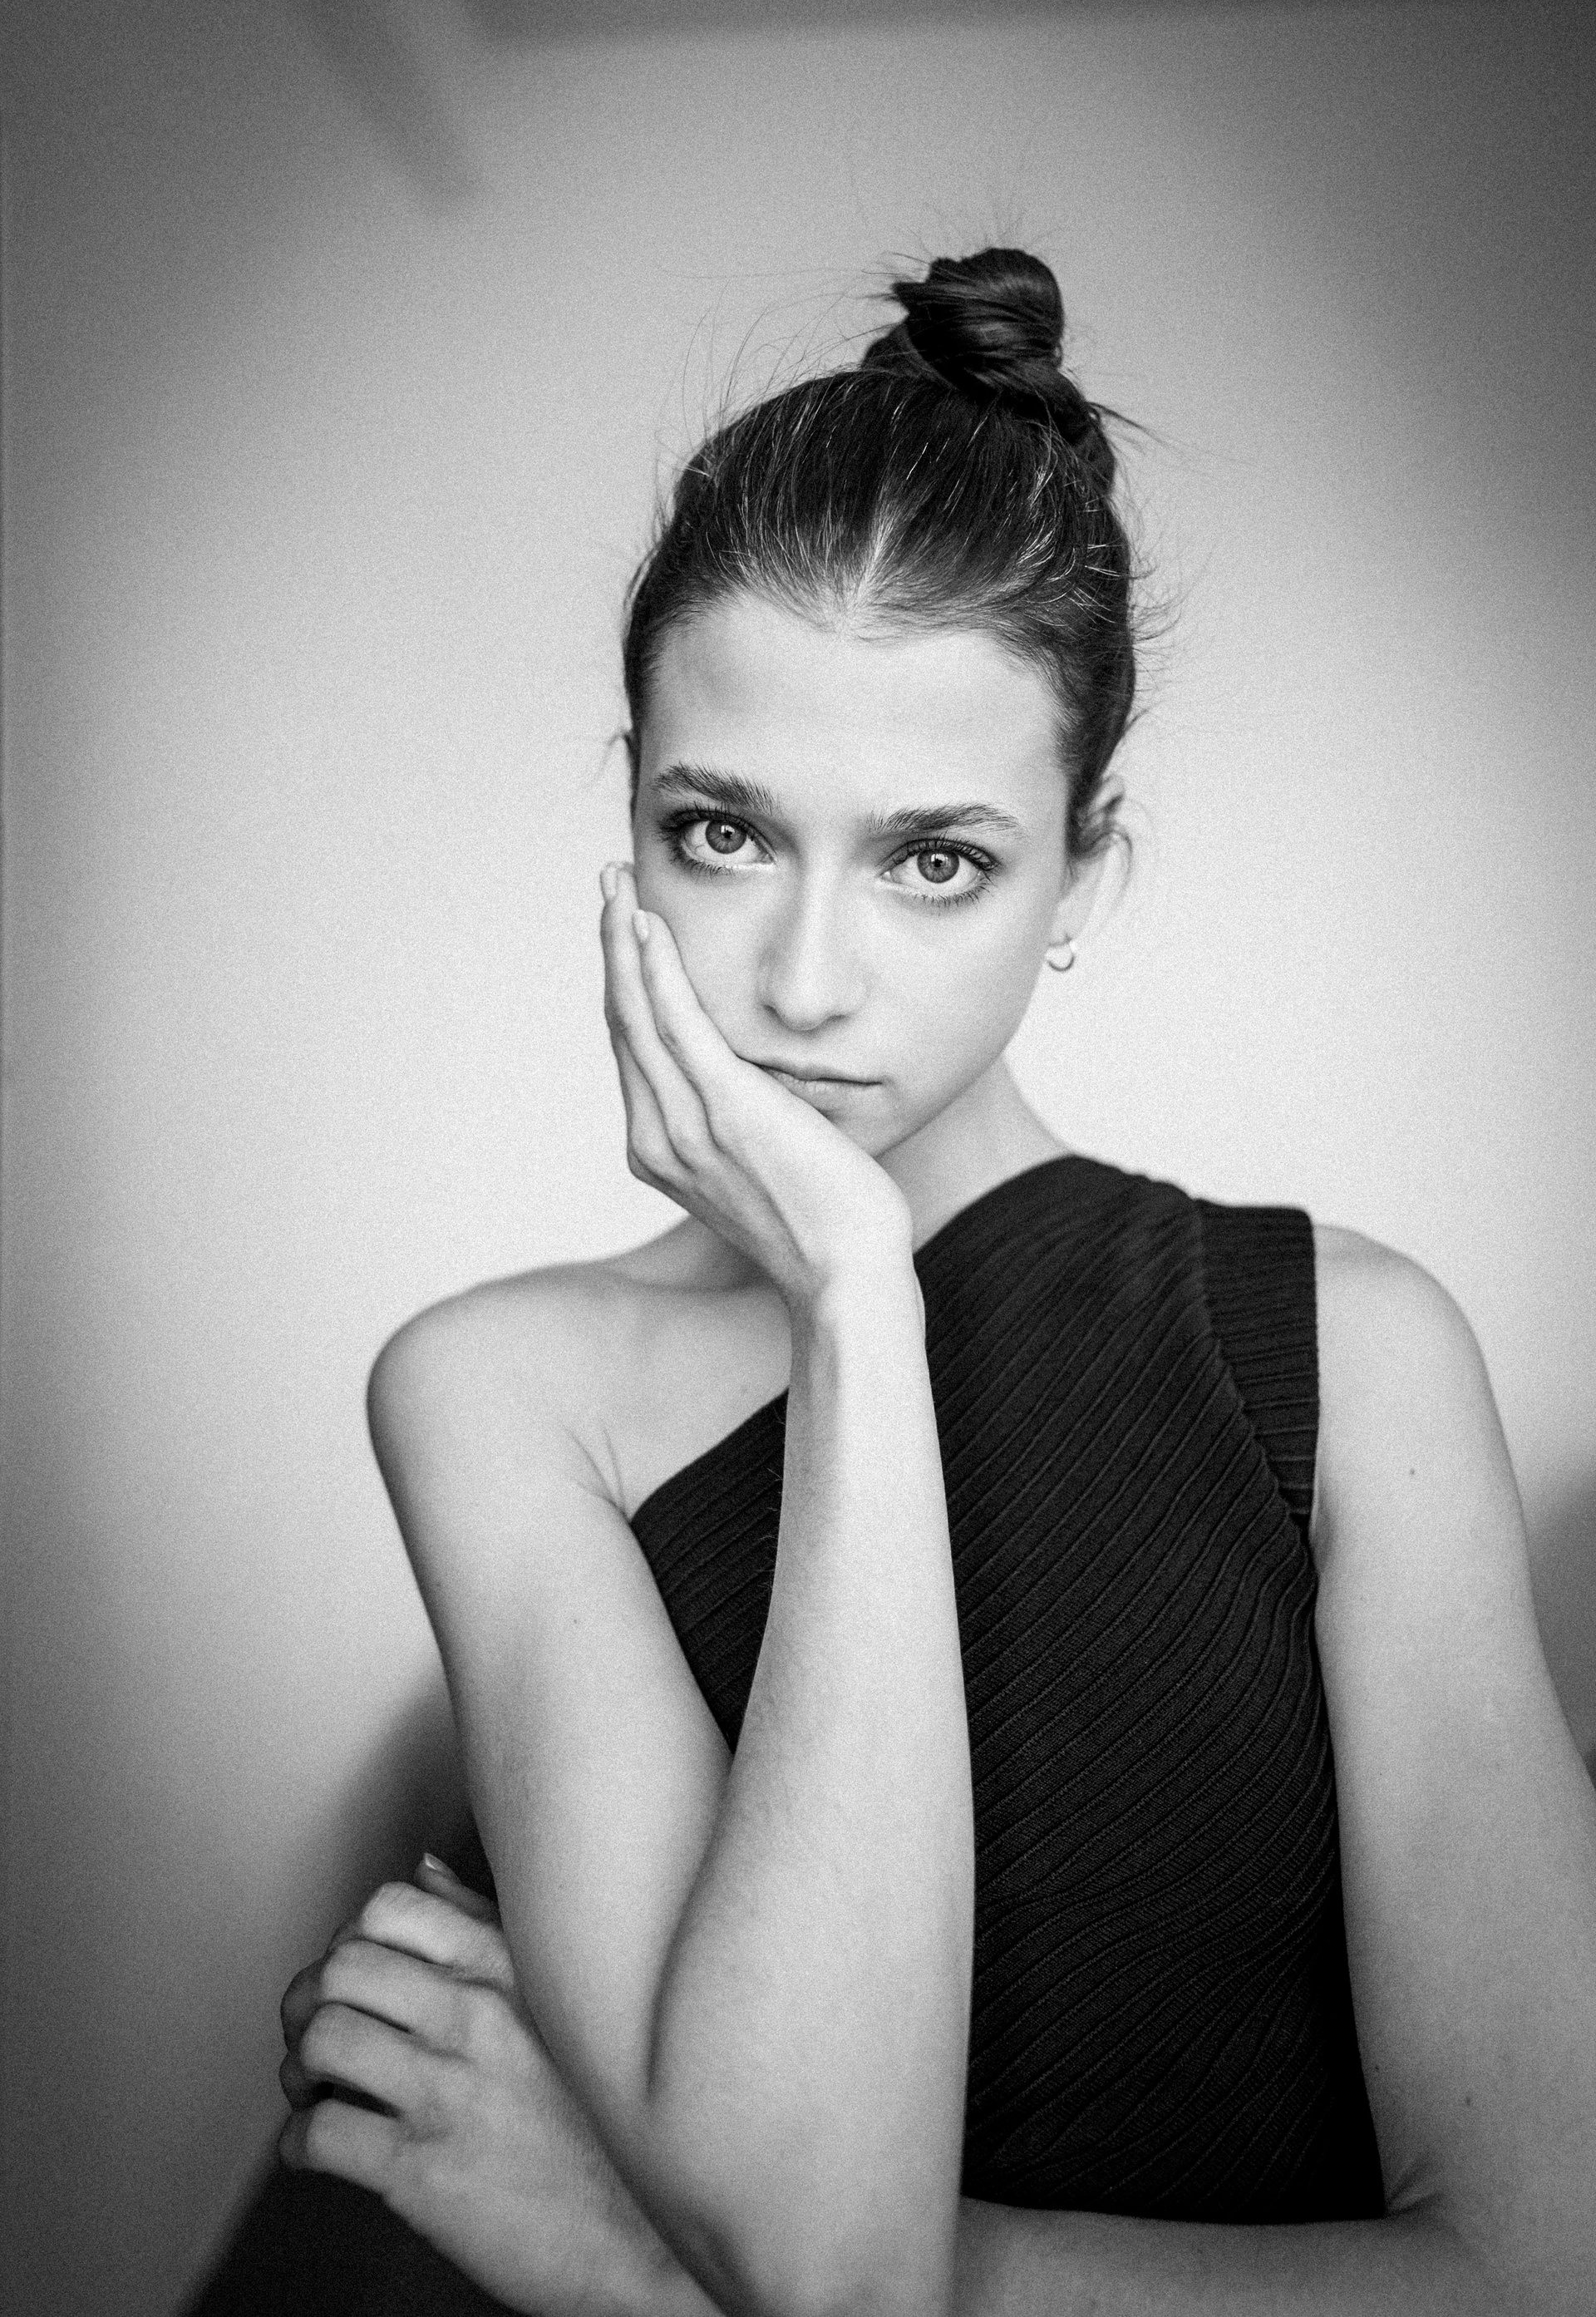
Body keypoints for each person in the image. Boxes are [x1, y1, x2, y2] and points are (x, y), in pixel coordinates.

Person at [241, 249, 1594, 2315]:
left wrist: (647, 2274)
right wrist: (858, 1305)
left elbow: (1543, 2268)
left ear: (1083, 877)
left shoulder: (1354, 1355)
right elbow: (821, 2231)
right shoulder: (499, 1393)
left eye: (932, 859)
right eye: (722, 833)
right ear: (631, 807)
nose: (802, 982)